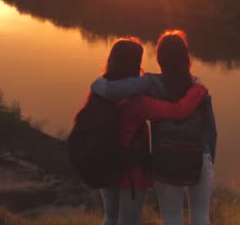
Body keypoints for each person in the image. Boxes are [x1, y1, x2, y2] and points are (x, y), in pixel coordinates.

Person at [91, 30, 217, 225]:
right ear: (186, 58)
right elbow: (211, 130)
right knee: (202, 218)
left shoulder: (151, 83)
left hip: (165, 159)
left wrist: (98, 84)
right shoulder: (197, 87)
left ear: (159, 58)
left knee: (172, 219)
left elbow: (114, 90)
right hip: (200, 157)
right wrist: (208, 158)